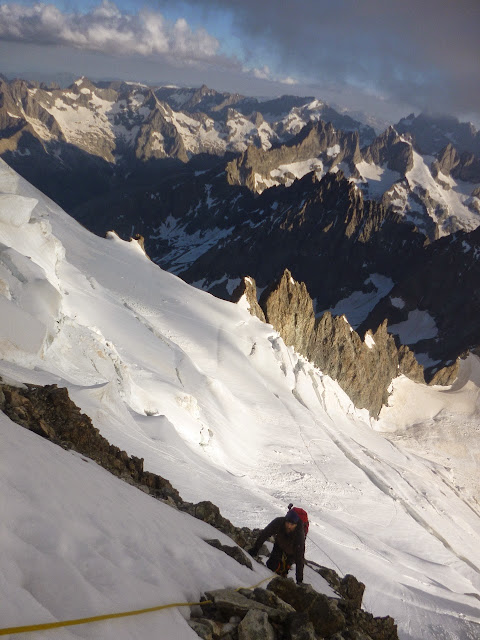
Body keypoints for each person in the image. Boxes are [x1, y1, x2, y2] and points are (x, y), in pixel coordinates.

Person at [248, 509, 305, 584]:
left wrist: (299, 580)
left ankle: (283, 576)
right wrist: (255, 549)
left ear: (296, 525)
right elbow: (265, 534)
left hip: (292, 552)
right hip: (279, 545)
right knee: (271, 565)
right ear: (285, 520)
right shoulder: (279, 522)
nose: (289, 526)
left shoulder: (299, 535)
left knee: (283, 570)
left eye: (292, 524)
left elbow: (299, 558)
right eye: (287, 523)